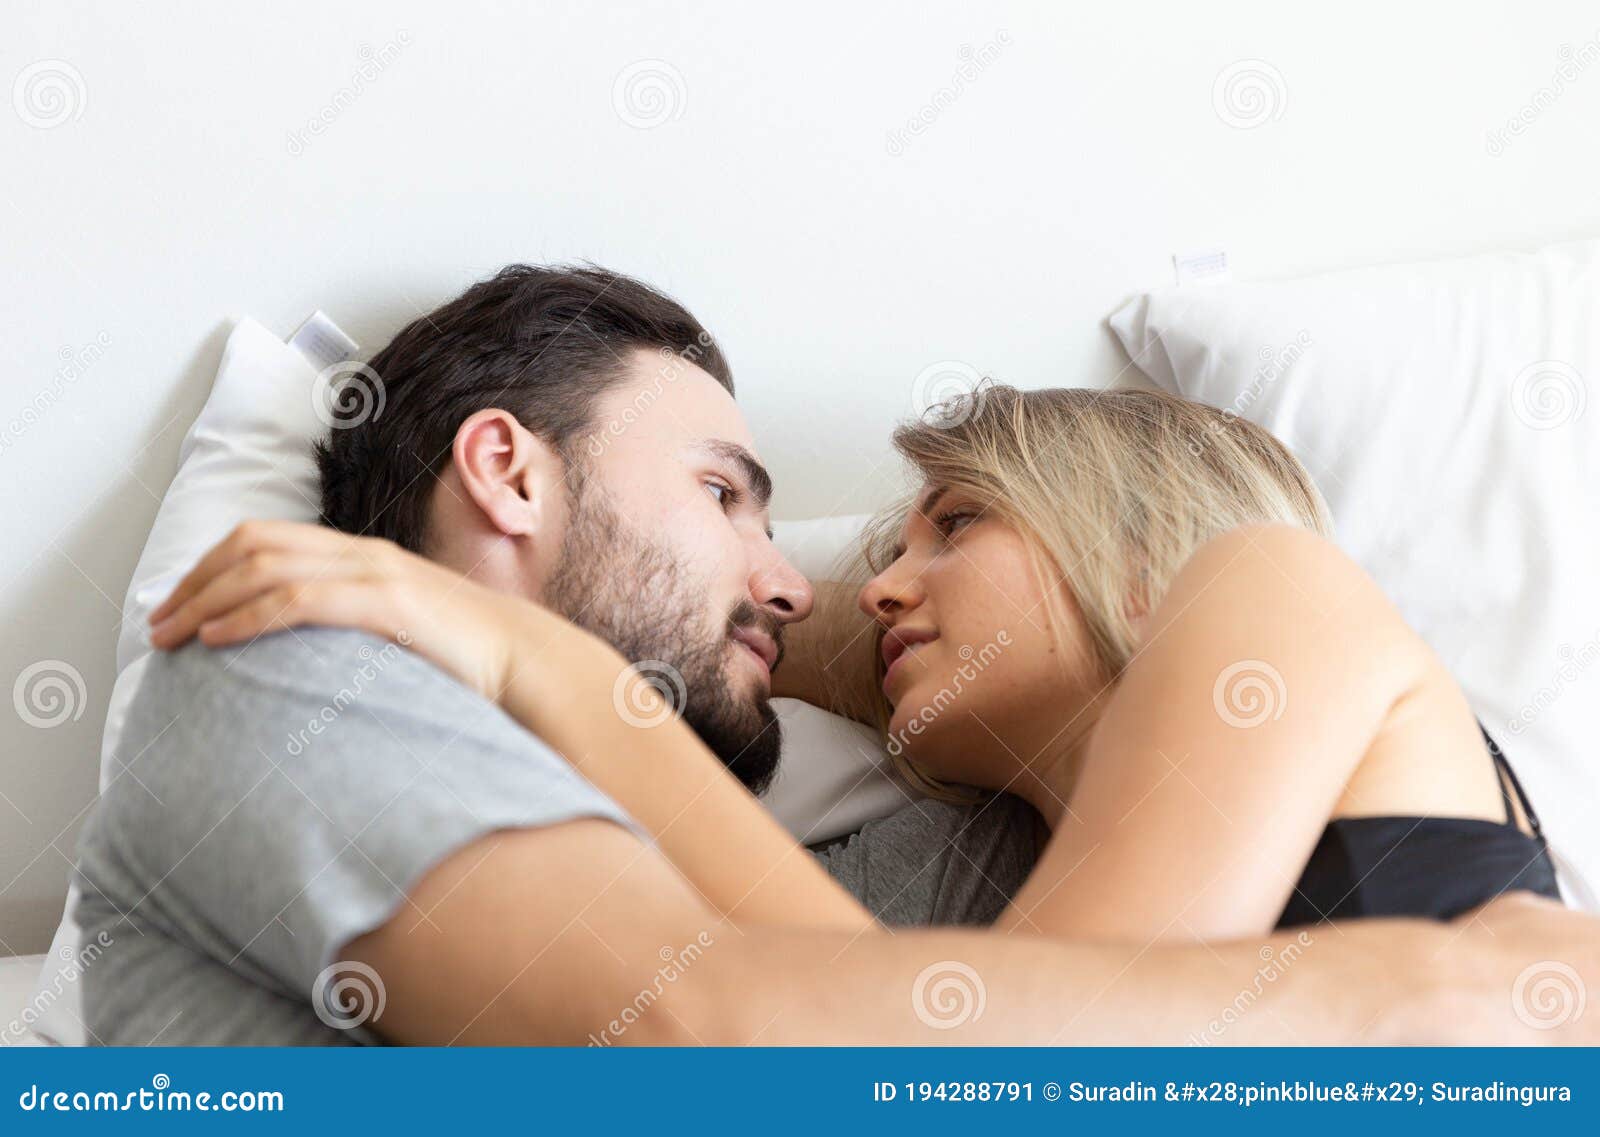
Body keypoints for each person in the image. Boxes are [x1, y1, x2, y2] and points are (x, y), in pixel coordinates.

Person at [79, 265, 1599, 1046]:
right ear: (511, 473)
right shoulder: (296, 671)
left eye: (947, 523)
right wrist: (1404, 995)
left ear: (1129, 532)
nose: (812, 584)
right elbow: (908, 1047)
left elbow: (939, 1050)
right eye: (723, 493)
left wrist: (555, 660)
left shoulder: (1266, 593)